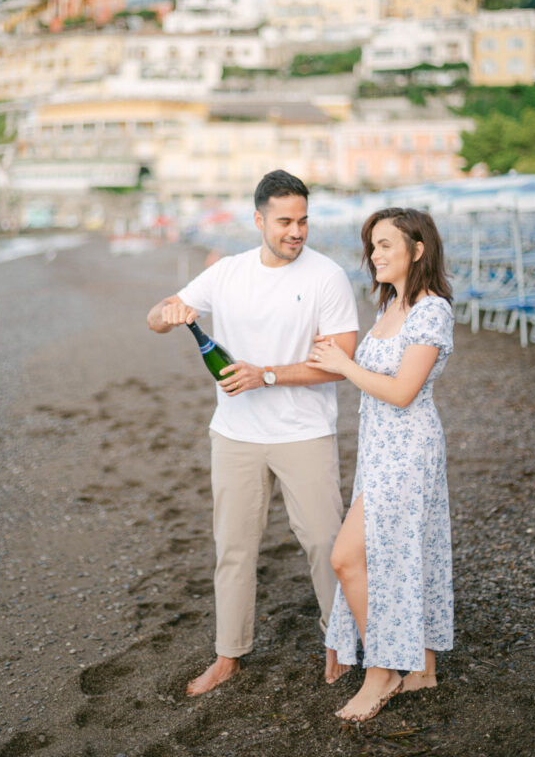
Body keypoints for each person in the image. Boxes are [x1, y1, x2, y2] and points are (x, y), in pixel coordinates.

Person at [146, 170, 360, 697]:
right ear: (259, 219)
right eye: (285, 221)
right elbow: (155, 317)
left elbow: (344, 362)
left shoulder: (326, 277)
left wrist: (265, 373)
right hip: (235, 435)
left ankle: (339, 640)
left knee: (322, 542)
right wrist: (169, 314)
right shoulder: (228, 274)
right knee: (234, 548)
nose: (297, 231)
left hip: (304, 432)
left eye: (303, 220)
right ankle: (228, 655)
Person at [307, 207, 454, 723]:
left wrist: (345, 366)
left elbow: (402, 391)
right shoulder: (391, 304)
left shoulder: (431, 312)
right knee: (404, 552)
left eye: (386, 245)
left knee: (348, 557)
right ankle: (423, 668)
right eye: (372, 246)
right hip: (379, 451)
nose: (375, 255)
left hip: (409, 451)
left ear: (418, 249)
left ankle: (383, 671)